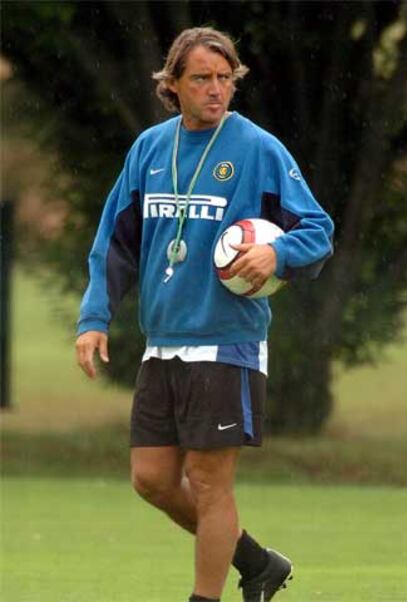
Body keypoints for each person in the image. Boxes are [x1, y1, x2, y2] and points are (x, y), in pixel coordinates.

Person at [76, 27, 334, 602]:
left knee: (210, 483)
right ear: (173, 85)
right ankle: (257, 562)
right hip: (162, 341)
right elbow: (115, 242)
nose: (217, 90)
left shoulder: (258, 149)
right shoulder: (149, 148)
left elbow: (317, 230)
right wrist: (94, 317)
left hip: (226, 343)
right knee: (151, 479)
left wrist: (278, 252)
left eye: (225, 79)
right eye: (202, 79)